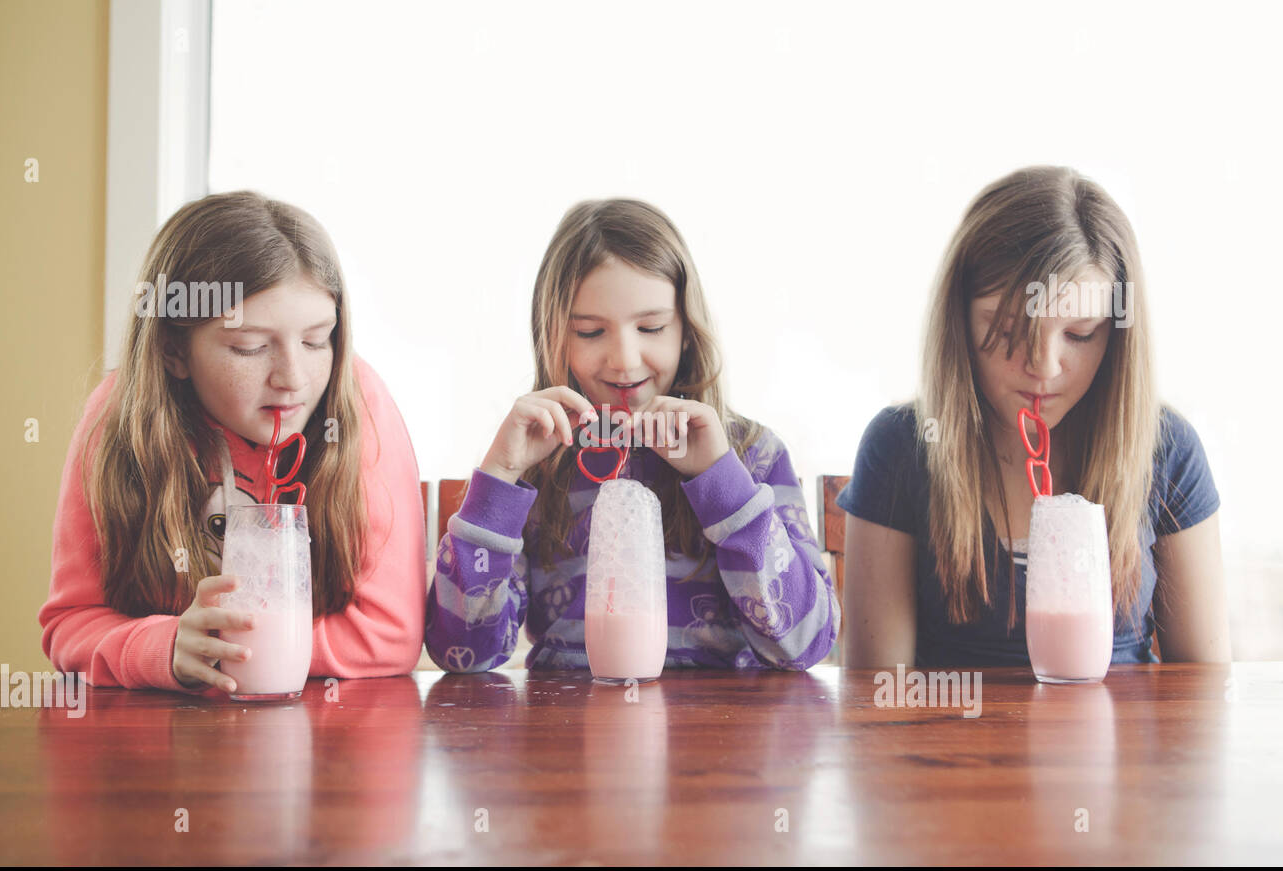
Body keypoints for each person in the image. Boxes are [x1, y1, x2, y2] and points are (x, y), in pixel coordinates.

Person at [426, 198, 839, 672]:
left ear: (686, 329)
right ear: (554, 335)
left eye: (651, 327)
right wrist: (499, 478)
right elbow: (464, 654)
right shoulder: (539, 465)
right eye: (589, 332)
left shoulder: (753, 456)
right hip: (572, 732)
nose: (624, 359)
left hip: (722, 736)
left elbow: (806, 643)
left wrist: (722, 482)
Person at [840, 166, 1230, 667]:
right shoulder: (901, 448)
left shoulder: (1167, 449)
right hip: (950, 744)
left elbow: (1203, 692)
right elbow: (879, 693)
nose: (1043, 368)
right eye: (1008, 328)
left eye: (1080, 334)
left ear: (1116, 336)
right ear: (958, 320)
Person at [39, 191, 425, 694]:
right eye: (251, 347)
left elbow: (389, 635)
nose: (293, 377)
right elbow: (71, 623)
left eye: (316, 340)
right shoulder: (118, 417)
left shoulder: (357, 403)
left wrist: (229, 653)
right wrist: (167, 646)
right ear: (174, 351)